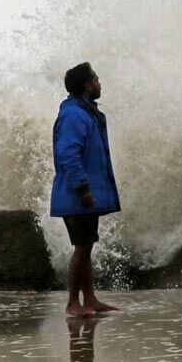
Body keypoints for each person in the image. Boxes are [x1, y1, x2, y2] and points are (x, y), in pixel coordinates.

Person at [51, 62, 121, 317]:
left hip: (80, 195)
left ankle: (89, 299)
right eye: (95, 78)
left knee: (86, 245)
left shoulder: (85, 112)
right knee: (82, 247)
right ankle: (72, 303)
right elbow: (68, 154)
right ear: (87, 84)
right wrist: (82, 188)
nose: (99, 81)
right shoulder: (74, 115)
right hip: (75, 196)